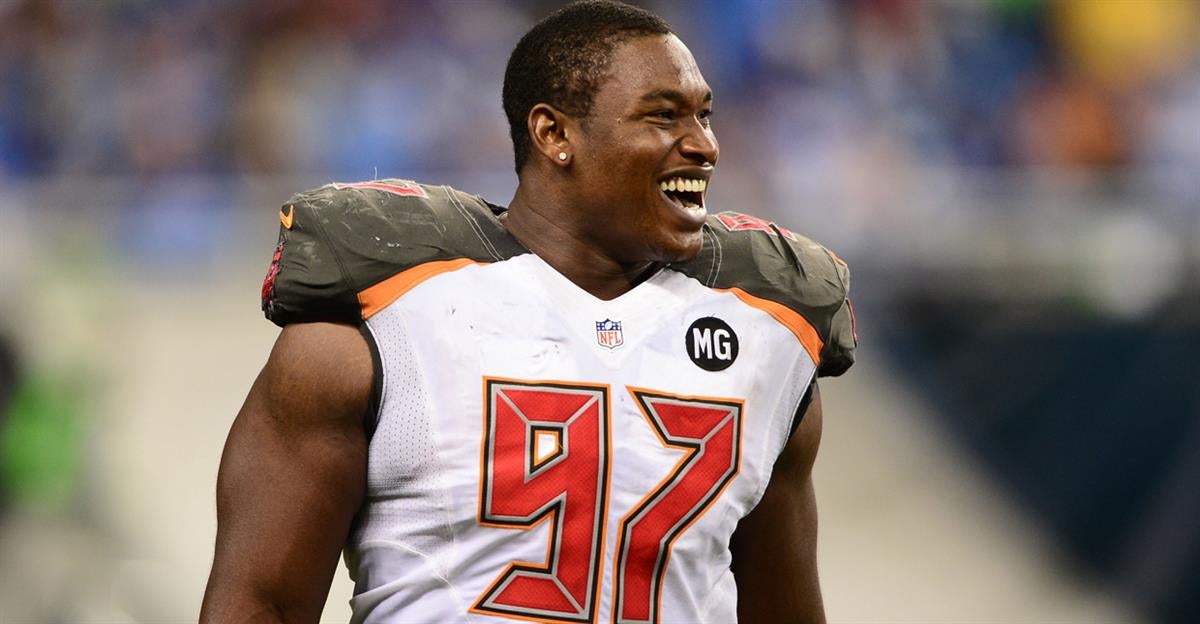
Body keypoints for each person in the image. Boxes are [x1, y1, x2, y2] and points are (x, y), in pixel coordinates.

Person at [201, 1, 856, 622]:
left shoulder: (769, 334)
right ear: (554, 133)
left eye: (704, 116)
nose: (703, 145)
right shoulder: (381, 322)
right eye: (663, 116)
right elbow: (263, 604)